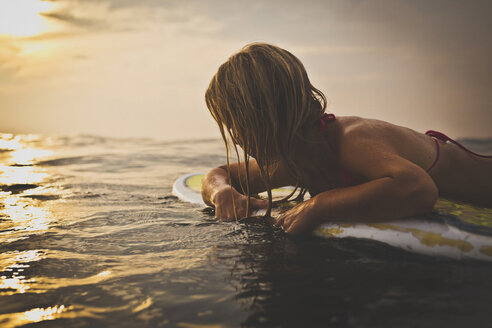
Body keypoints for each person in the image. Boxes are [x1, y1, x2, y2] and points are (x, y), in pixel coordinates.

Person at [201, 42, 492, 235]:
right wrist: (222, 192)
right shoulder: (292, 158)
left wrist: (321, 205)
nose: (236, 138)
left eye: (239, 124)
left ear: (271, 116)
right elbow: (219, 174)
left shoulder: (351, 140)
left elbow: (419, 189)